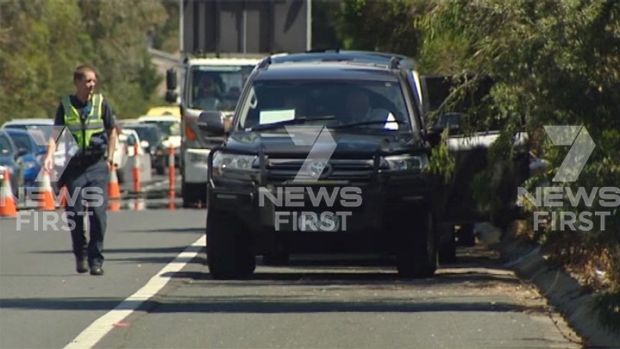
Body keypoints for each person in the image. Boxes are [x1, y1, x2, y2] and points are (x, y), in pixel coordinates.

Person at [43, 65, 117, 276]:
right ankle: (80, 253)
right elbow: (55, 134)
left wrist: (111, 157)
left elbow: (112, 131)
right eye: (87, 81)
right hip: (74, 168)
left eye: (94, 81)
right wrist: (49, 156)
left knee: (97, 214)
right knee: (75, 214)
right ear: (77, 83)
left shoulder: (101, 103)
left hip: (96, 166)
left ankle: (96, 260)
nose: (92, 85)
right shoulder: (65, 105)